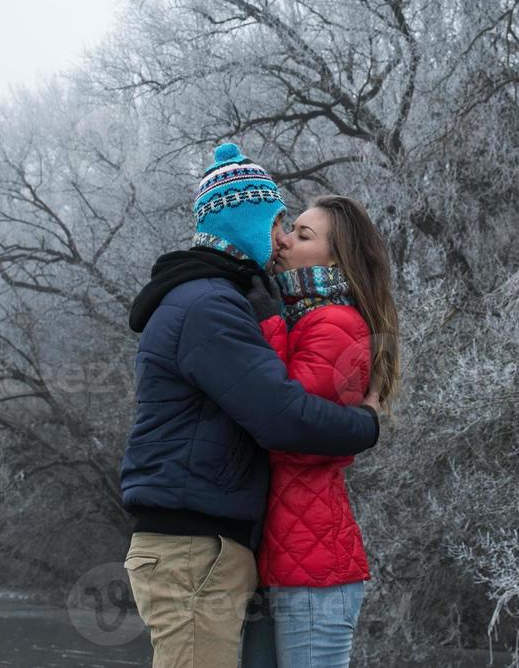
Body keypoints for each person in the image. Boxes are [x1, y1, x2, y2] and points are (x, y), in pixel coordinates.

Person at [119, 144, 383, 668]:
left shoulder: (212, 300)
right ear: (247, 228)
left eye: (298, 230)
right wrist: (366, 426)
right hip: (194, 547)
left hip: (208, 546)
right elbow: (281, 415)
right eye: (278, 223)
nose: (283, 238)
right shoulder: (209, 305)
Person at [241, 195, 401, 668]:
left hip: (314, 569)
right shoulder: (307, 318)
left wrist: (267, 324)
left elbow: (295, 431)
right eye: (291, 229)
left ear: (338, 259)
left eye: (303, 235)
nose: (284, 240)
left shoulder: (337, 323)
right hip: (290, 556)